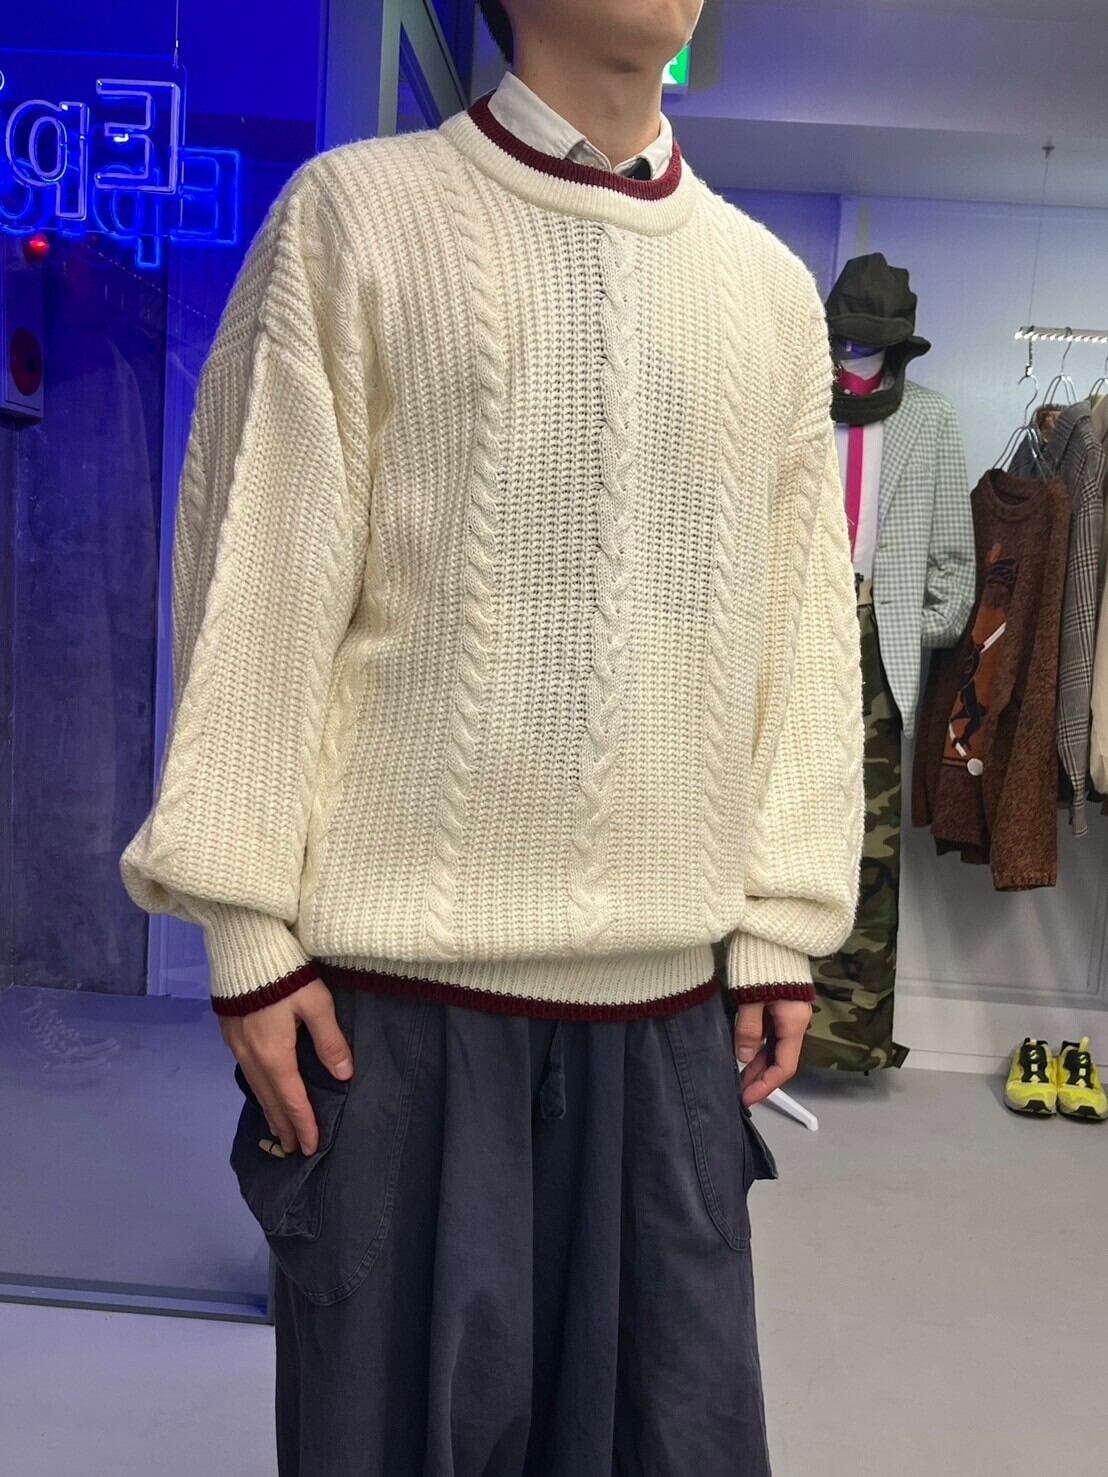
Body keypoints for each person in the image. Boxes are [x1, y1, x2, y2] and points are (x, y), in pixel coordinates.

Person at [119, 1, 864, 1471]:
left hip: (670, 1025)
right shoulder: (355, 219)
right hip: (397, 1021)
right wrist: (245, 927)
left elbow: (801, 633)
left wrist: (782, 921)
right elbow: (256, 580)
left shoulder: (770, 291)